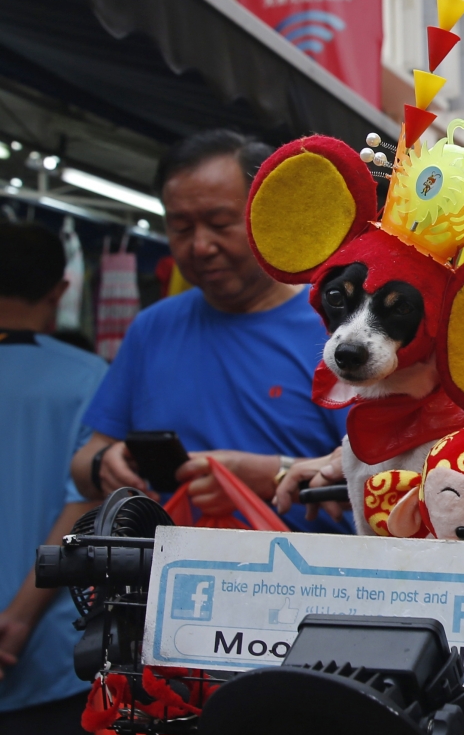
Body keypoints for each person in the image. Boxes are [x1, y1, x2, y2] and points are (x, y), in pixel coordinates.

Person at [70, 131, 350, 533]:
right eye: (181, 228)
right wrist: (106, 464)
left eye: (220, 223)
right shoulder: (153, 327)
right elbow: (84, 461)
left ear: (270, 213)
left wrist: (270, 473)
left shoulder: (336, 330)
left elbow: (385, 474)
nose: (201, 246)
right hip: (169, 584)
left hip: (304, 586)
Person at [0, 222, 107, 735]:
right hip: (47, 652)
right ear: (62, 288)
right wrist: (17, 621)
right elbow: (85, 499)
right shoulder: (91, 378)